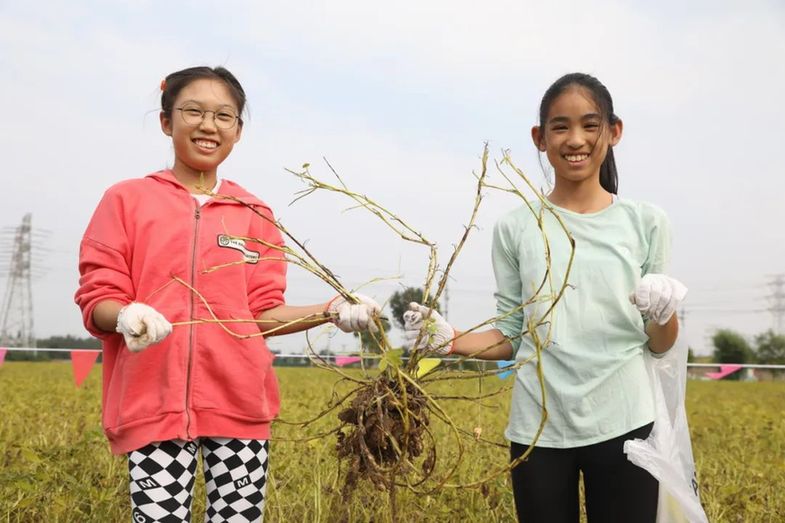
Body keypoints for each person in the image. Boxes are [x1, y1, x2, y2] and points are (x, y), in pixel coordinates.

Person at [74, 66, 380, 523]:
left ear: (237, 130)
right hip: (153, 403)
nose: (208, 125)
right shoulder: (127, 200)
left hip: (238, 404)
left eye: (224, 115)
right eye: (193, 111)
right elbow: (97, 297)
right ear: (166, 122)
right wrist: (123, 315)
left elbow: (263, 313)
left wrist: (330, 311)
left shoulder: (253, 212)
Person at [403, 73, 687, 523]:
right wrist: (451, 338)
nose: (576, 139)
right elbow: (512, 333)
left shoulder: (646, 222)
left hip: (628, 421)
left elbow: (660, 343)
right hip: (539, 427)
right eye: (560, 126)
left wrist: (664, 310)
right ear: (540, 138)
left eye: (590, 125)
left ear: (614, 131)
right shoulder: (516, 228)